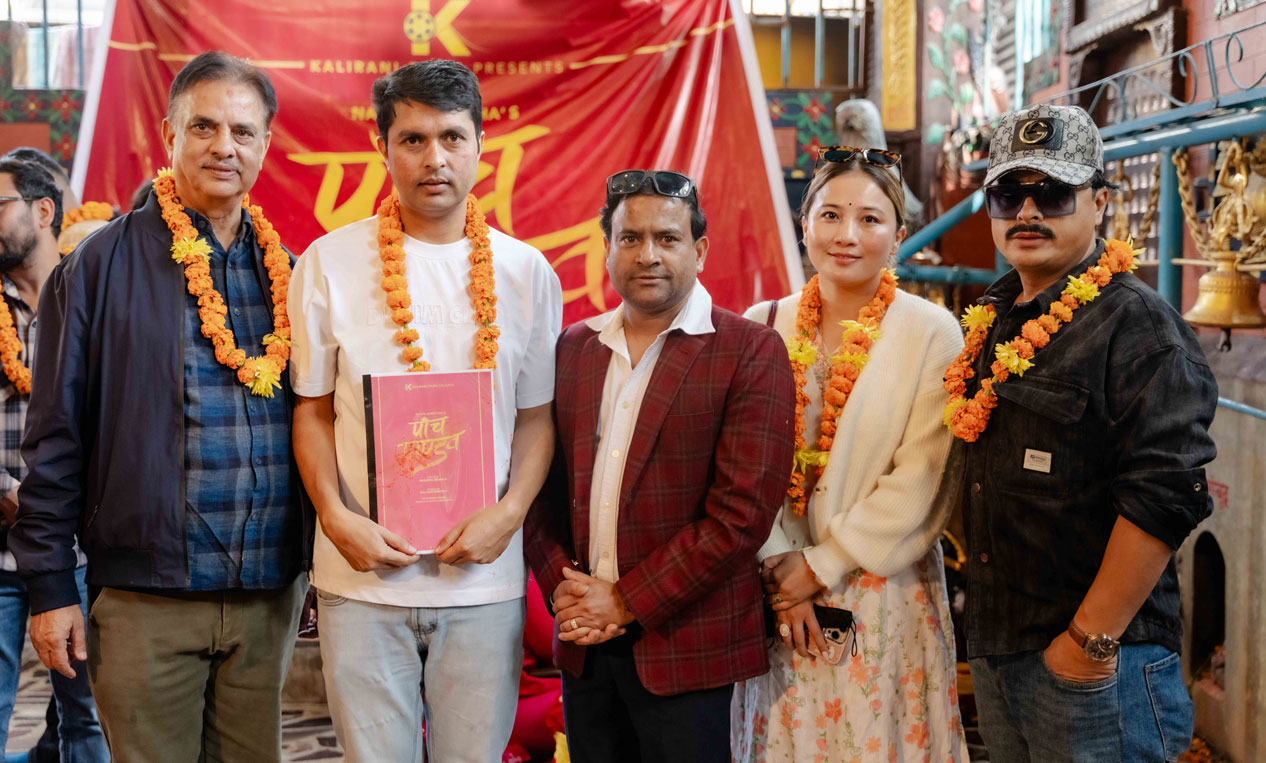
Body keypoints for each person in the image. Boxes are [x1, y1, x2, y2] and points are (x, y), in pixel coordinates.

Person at [10, 51, 310, 762]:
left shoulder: (292, 276)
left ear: (266, 144)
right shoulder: (97, 267)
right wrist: (50, 588)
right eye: (203, 126)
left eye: (242, 131)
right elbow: (53, 440)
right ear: (170, 133)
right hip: (146, 598)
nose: (224, 146)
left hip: (267, 596)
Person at [287, 59, 562, 763]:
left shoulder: (526, 272)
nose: (434, 159)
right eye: (412, 139)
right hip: (361, 579)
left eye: (451, 137)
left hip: (483, 582)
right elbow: (312, 410)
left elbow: (536, 416)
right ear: (383, 147)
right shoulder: (326, 263)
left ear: (479, 145)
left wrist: (510, 512)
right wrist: (334, 516)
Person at [946, 104, 1217, 761]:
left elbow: (1165, 495)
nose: (1027, 212)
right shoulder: (996, 316)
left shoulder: (1139, 327)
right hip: (1003, 652)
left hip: (1097, 671)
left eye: (1053, 193)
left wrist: (1087, 645)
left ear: (1099, 202)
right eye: (1008, 194)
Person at [523, 169, 796, 762]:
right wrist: (564, 590)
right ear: (607, 248)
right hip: (586, 645)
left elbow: (741, 517)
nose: (647, 255)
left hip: (686, 648)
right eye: (630, 238)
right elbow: (537, 489)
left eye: (668, 238)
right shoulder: (573, 348)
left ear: (699, 250)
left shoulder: (748, 350)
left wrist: (623, 601)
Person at [731, 149, 968, 761]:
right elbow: (738, 462)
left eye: (870, 219)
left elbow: (924, 476)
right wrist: (781, 567)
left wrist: (823, 563)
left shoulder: (932, 332)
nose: (847, 235)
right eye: (831, 215)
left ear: (898, 235)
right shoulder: (761, 324)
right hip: (777, 591)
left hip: (883, 588)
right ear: (804, 223)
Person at [0, 159, 108, 762]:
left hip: (79, 554)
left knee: (88, 718)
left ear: (43, 211)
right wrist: (4, 491)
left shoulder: (93, 294)